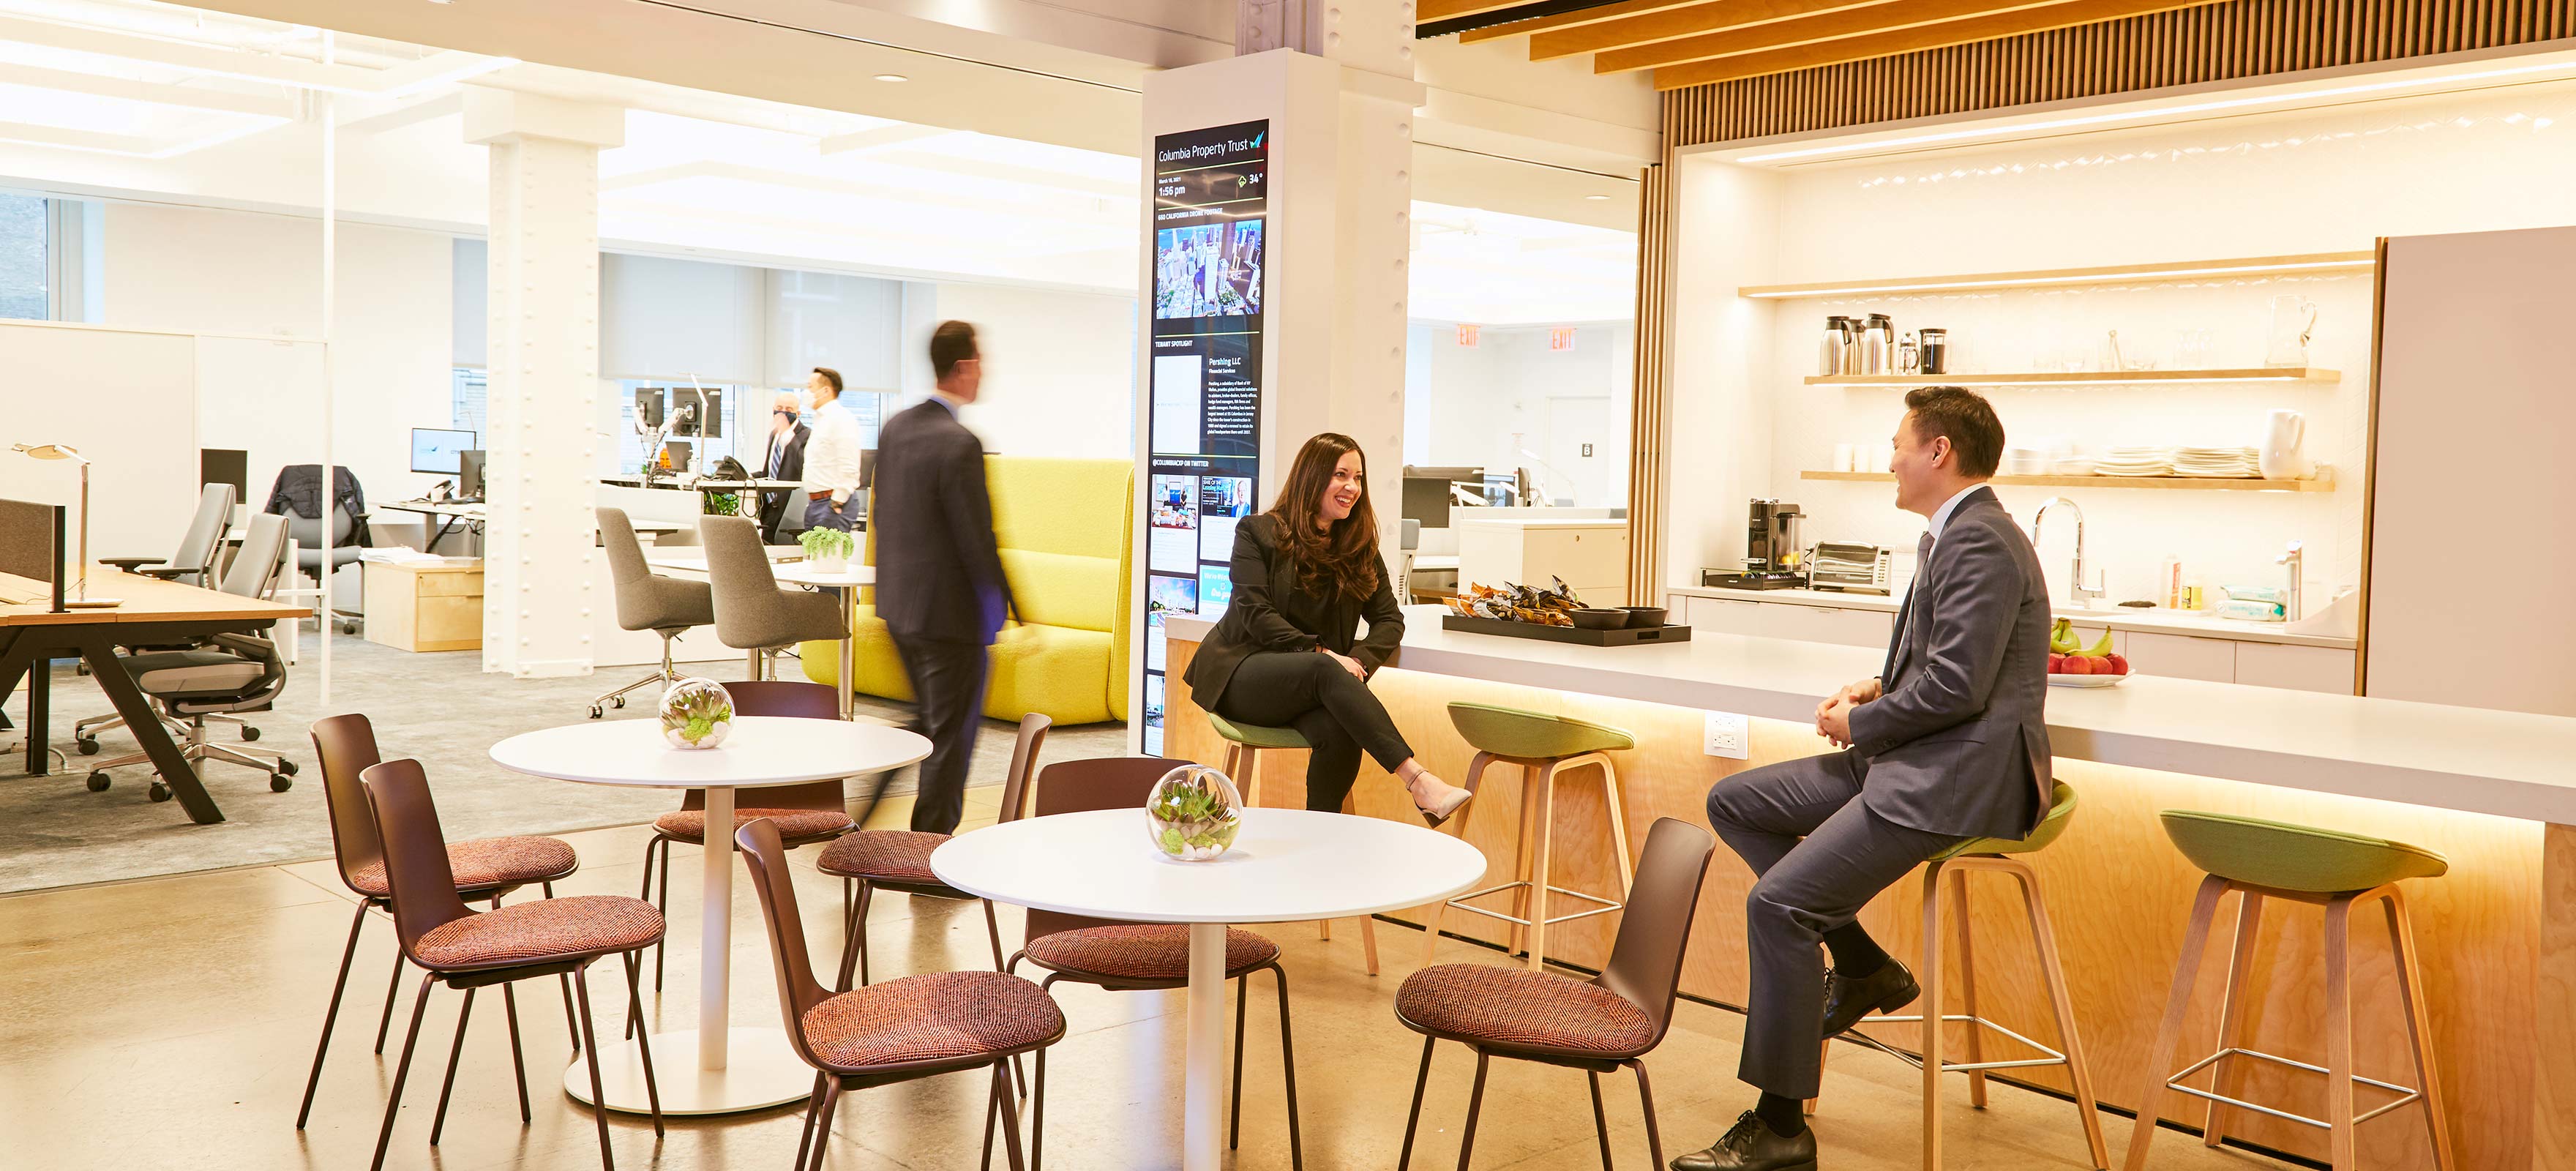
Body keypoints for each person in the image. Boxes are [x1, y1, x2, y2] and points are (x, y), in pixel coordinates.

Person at [1673, 386, 2053, 1171]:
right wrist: (1872, 691)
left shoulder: (1982, 540)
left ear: (1937, 452)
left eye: (1897, 442)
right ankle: (1860, 963)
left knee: (1778, 907)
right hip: (1908, 757)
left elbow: (1957, 689)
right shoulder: (1947, 536)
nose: (1890, 457)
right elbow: (1943, 667)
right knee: (1734, 801)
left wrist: (1864, 724)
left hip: (1952, 778)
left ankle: (1781, 1127)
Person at [1181, 433, 1474, 824]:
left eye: (1358, 477)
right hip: (1243, 672)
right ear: (1311, 477)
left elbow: (1390, 620)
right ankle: (1418, 781)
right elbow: (1254, 612)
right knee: (1323, 670)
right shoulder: (1257, 532)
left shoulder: (1359, 548)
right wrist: (1324, 656)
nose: (1352, 487)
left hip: (1311, 684)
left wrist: (1356, 662)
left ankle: (1322, 835)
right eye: (1341, 475)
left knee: (1340, 729)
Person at [871, 322, 1011, 835]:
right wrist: (1007, 608)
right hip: (952, 620)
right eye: (982, 359)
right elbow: (978, 540)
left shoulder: (897, 427)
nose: (985, 370)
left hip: (901, 610)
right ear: (966, 366)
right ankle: (928, 855)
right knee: (949, 738)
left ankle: (863, 817)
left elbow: (885, 518)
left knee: (926, 725)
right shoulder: (960, 442)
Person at [800, 366, 865, 533]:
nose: (806, 392)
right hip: (816, 503)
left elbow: (849, 467)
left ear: (826, 391)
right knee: (813, 558)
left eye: (810, 387)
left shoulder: (841, 419)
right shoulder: (821, 421)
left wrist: (837, 502)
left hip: (832, 503)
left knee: (828, 558)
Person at [755, 389, 810, 544]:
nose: (783, 413)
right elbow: (771, 468)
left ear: (798, 413)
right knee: (765, 546)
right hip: (768, 503)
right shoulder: (774, 434)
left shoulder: (806, 435)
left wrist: (787, 434)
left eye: (789, 409)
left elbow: (803, 464)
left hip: (789, 504)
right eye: (779, 408)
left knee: (780, 547)